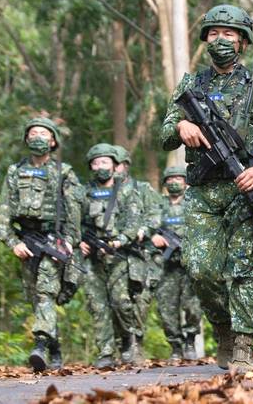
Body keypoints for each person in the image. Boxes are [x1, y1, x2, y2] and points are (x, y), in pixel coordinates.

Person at [160, 4, 253, 372]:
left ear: (243, 42)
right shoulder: (191, 86)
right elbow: (165, 133)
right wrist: (180, 129)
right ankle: (222, 329)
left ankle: (244, 348)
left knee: (242, 268)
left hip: (244, 191)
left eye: (229, 34)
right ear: (205, 39)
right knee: (201, 269)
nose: (221, 40)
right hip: (203, 192)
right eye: (214, 34)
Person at [0, 117, 80, 372]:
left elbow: (74, 212)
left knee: (46, 293)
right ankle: (55, 348)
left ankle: (40, 346)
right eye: (33, 133)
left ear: (53, 141)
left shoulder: (63, 172)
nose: (38, 137)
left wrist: (68, 242)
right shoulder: (14, 172)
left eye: (43, 133)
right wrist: (13, 243)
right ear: (26, 139)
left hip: (52, 243)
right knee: (36, 299)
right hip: (26, 243)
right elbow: (3, 214)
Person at [77, 143, 144, 368]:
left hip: (118, 256)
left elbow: (134, 223)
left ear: (115, 166)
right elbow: (75, 221)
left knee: (121, 302)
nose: (100, 166)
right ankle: (105, 352)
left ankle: (126, 339)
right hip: (94, 258)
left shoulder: (126, 190)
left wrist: (120, 240)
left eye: (105, 162)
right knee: (98, 305)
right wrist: (81, 242)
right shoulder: (84, 192)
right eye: (96, 163)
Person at [112, 144, 163, 363]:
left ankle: (137, 343)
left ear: (125, 166)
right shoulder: (103, 191)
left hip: (141, 255)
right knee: (119, 301)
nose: (114, 169)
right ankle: (125, 341)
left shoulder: (142, 189)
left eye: (118, 164)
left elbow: (155, 215)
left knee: (141, 302)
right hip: (115, 255)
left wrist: (144, 230)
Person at [151, 166, 203, 360]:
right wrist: (154, 237)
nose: (174, 182)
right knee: (166, 308)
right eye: (170, 179)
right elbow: (147, 225)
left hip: (190, 263)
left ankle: (190, 340)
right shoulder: (158, 205)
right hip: (166, 266)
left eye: (178, 179)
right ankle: (175, 346)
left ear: (186, 182)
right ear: (165, 183)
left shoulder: (194, 203)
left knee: (193, 306)